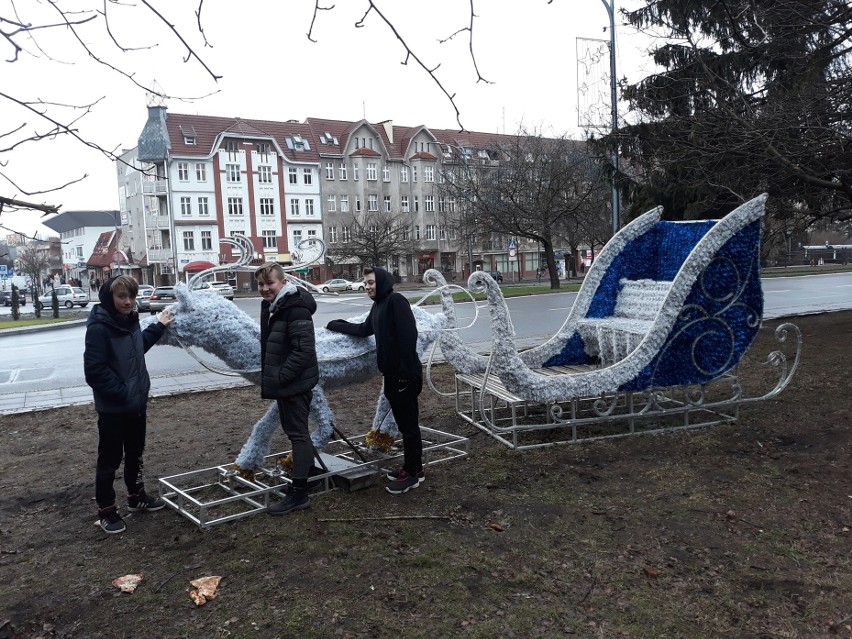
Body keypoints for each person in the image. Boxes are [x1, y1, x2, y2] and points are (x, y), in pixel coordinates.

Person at [83, 276, 175, 534]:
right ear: (109, 298)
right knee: (110, 460)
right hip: (114, 409)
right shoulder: (100, 327)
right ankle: (107, 510)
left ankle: (136, 497)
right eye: (122, 297)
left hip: (136, 404)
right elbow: (94, 371)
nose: (128, 302)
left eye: (132, 297)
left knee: (135, 453)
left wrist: (158, 326)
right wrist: (123, 394)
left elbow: (136, 349)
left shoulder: (129, 320)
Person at [326, 266, 424, 495]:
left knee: (409, 427)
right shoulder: (378, 305)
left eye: (371, 282)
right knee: (404, 424)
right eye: (366, 283)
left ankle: (412, 474)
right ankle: (414, 468)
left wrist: (404, 375)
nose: (368, 286)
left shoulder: (396, 301)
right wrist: (336, 324)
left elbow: (409, 338)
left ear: (382, 282)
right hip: (392, 376)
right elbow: (364, 329)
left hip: (405, 376)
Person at [255, 262, 320, 515]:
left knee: (298, 434)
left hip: (294, 383)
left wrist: (281, 378)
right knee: (297, 431)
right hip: (288, 382)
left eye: (269, 283)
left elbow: (303, 351)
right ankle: (309, 473)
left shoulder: (295, 310)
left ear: (283, 283)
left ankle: (299, 493)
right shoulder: (276, 306)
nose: (264, 288)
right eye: (260, 284)